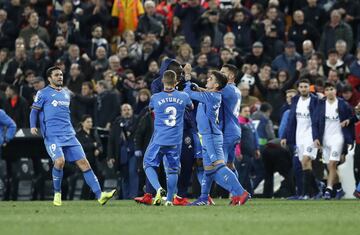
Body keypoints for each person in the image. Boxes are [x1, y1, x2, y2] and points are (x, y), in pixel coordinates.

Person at [29, 66, 116, 206]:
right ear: (49, 78)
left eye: (61, 75)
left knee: (84, 163)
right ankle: (57, 194)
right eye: (56, 75)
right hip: (53, 136)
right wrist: (33, 126)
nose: (60, 77)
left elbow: (66, 113)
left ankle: (100, 195)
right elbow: (34, 111)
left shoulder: (65, 93)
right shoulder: (43, 93)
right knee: (59, 162)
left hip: (69, 135)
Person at [184, 68, 249, 206]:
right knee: (208, 170)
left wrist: (188, 78)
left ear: (217, 85)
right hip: (208, 135)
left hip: (212, 136)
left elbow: (188, 92)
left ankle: (240, 192)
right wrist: (198, 87)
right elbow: (200, 92)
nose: (207, 79)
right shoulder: (212, 94)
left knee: (219, 166)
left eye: (211, 79)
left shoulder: (212, 96)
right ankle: (203, 198)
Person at [143, 70, 193, 206]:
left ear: (163, 82)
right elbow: (191, 107)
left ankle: (159, 189)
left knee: (148, 164)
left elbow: (150, 109)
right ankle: (170, 200)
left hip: (159, 139)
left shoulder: (155, 97)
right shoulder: (184, 96)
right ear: (176, 82)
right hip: (176, 140)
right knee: (173, 170)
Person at [281, 78, 320, 199]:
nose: (303, 89)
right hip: (299, 136)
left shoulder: (315, 101)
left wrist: (318, 137)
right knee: (304, 165)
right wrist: (285, 136)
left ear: (309, 88)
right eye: (301, 87)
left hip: (311, 136)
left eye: (305, 86)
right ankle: (317, 190)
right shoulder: (295, 100)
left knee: (305, 161)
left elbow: (319, 120)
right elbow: (291, 120)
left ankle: (306, 193)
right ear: (298, 88)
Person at [313, 82, 353, 199]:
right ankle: (339, 188)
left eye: (332, 89)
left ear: (335, 91)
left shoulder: (342, 104)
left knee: (332, 163)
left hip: (338, 138)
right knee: (329, 166)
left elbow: (352, 118)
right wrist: (316, 138)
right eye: (327, 89)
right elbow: (315, 123)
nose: (330, 91)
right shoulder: (320, 105)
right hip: (325, 139)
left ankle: (328, 190)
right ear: (324, 92)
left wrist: (348, 124)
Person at [219, 64, 241, 177]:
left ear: (231, 75)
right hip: (235, 129)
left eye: (223, 72)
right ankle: (236, 193)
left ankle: (238, 191)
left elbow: (209, 94)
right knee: (230, 164)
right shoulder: (236, 90)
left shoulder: (226, 88)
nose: (219, 74)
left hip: (227, 130)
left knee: (220, 165)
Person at [76, 115, 103, 200]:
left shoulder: (94, 133)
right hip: (84, 161)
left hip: (95, 161)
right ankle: (84, 198)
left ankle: (93, 197)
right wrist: (93, 145)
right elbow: (81, 147)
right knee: (88, 180)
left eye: (91, 122)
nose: (90, 124)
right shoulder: (79, 134)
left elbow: (100, 145)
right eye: (88, 122)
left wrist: (98, 150)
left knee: (100, 177)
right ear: (82, 123)